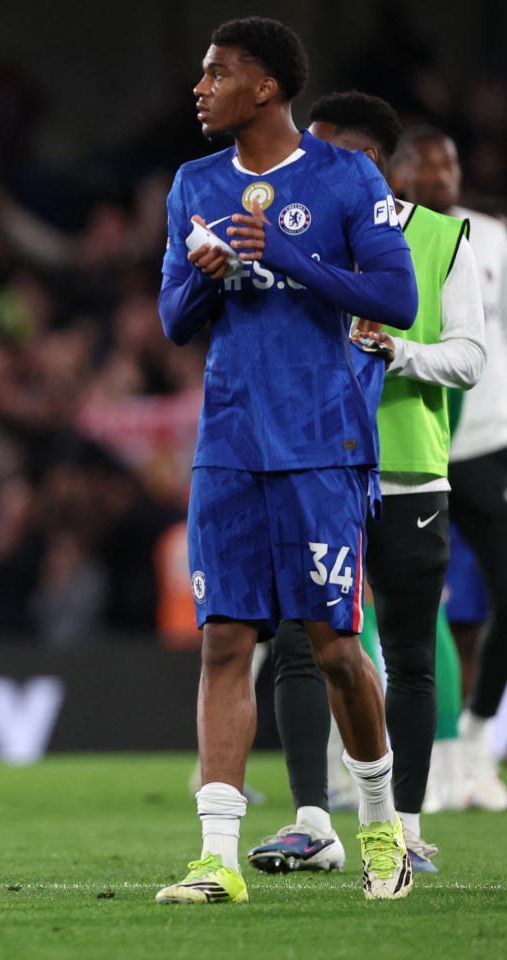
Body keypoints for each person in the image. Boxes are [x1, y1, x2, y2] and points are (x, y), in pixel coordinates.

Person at [155, 18, 420, 904]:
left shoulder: (347, 176)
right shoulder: (193, 184)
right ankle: (218, 857)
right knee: (225, 641)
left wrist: (293, 259)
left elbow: (397, 296)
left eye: (216, 73)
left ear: (265, 87)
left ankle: (381, 830)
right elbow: (173, 321)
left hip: (321, 442)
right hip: (228, 444)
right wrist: (205, 270)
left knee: (336, 647)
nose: (200, 88)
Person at [245, 92, 484, 878]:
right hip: (315, 465)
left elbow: (468, 358)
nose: (304, 166)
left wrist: (397, 354)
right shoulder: (301, 237)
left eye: (322, 152)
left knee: (410, 653)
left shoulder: (443, 239)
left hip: (410, 469)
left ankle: (406, 825)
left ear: (368, 162)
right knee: (297, 643)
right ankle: (314, 821)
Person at [390, 126, 507, 812]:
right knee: (404, 612)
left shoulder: (491, 238)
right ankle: (399, 767)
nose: (443, 175)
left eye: (451, 162)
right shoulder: (383, 238)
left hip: (486, 444)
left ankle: (473, 744)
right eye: (428, 165)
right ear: (401, 173)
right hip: (413, 445)